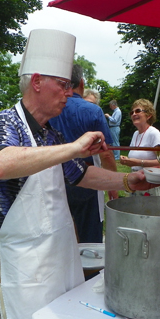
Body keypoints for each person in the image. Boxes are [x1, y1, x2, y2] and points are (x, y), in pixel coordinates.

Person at [0, 29, 160, 319]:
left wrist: (128, 180)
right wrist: (74, 148)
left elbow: (82, 176)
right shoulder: (6, 124)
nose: (68, 93)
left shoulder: (51, 134)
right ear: (36, 82)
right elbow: (0, 165)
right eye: (62, 85)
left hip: (61, 251)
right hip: (26, 261)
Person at [49, 64, 117, 244]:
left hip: (54, 181)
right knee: (90, 242)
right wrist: (113, 187)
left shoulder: (46, 110)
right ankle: (90, 273)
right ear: (81, 82)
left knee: (59, 238)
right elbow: (106, 155)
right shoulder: (93, 110)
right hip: (87, 182)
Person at [120, 99, 160, 196]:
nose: (134, 114)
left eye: (138, 111)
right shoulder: (136, 134)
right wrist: (127, 161)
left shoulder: (154, 133)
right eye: (132, 112)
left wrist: (137, 162)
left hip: (150, 182)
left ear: (149, 115)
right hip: (136, 180)